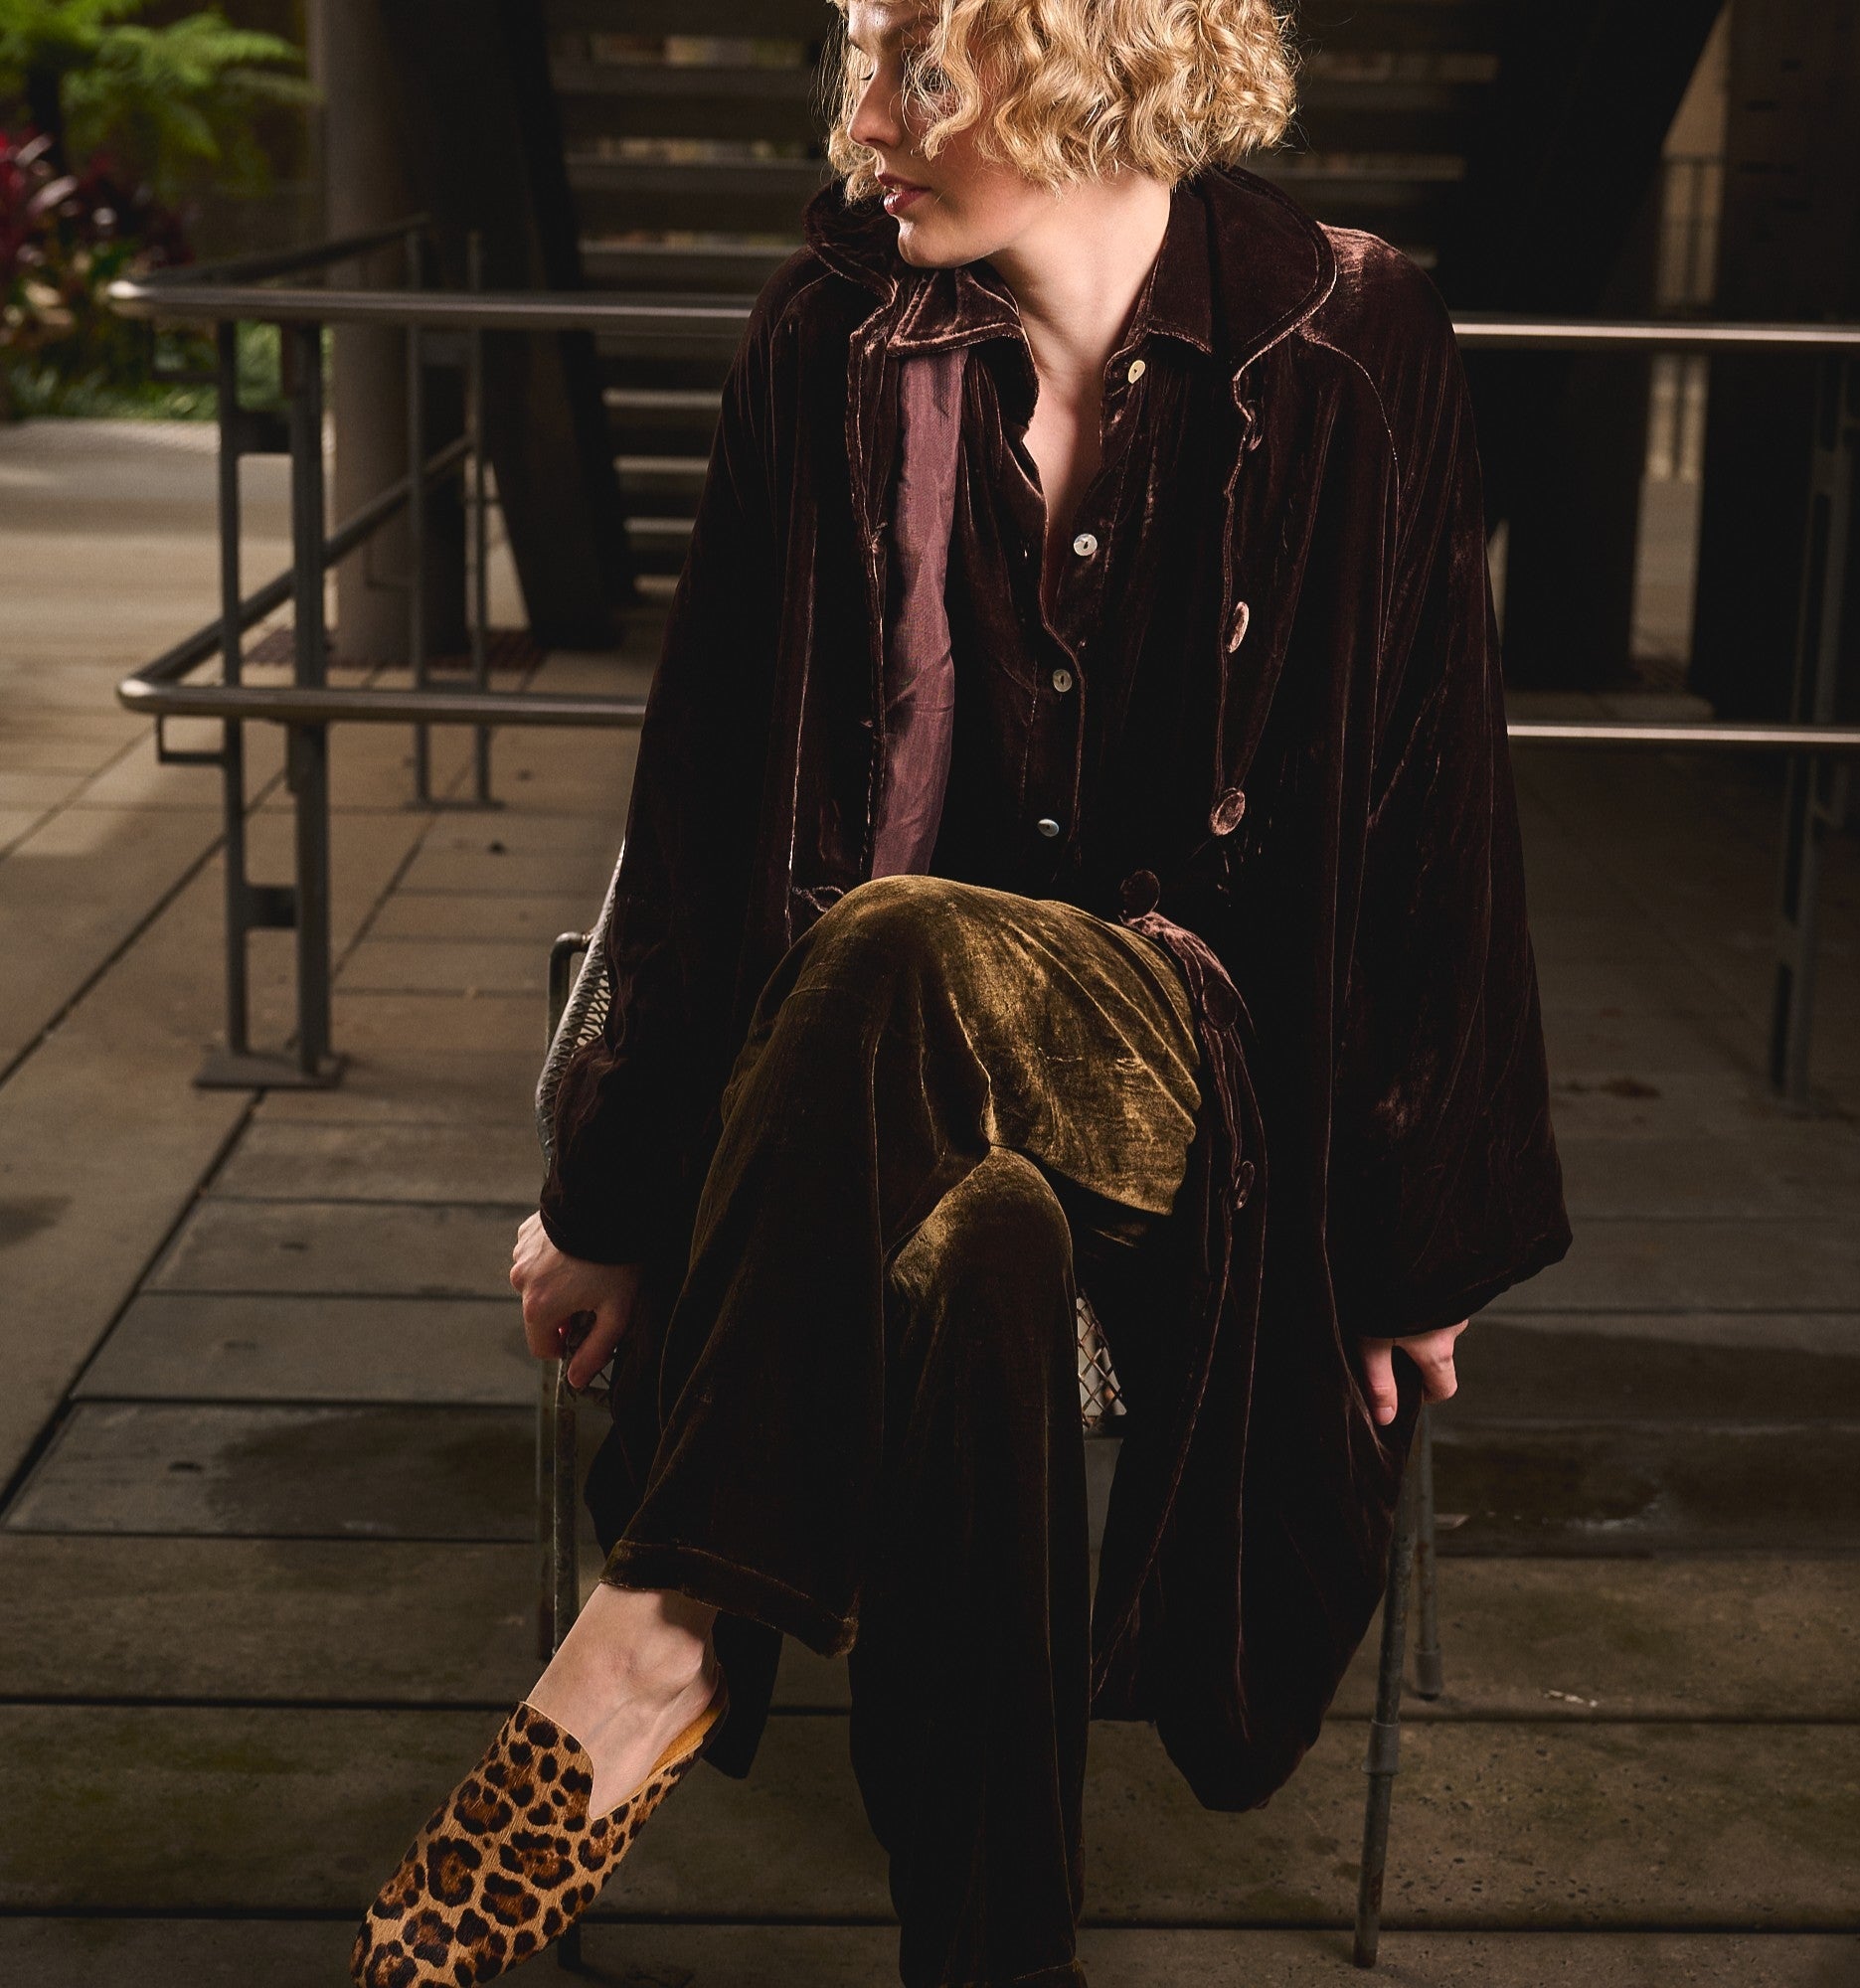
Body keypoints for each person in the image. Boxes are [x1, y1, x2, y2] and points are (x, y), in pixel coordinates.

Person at [353, 0, 1571, 1981]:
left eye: (917, 69)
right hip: (852, 1114)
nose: (859, 121)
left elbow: (1437, 793)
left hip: (1199, 1097)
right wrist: (615, 1197)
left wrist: (1414, 1238)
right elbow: (703, 797)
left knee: (912, 940)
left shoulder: (1351, 338)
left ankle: (662, 1619)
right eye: (857, 55)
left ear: (1094, 73)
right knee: (979, 1243)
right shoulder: (818, 342)